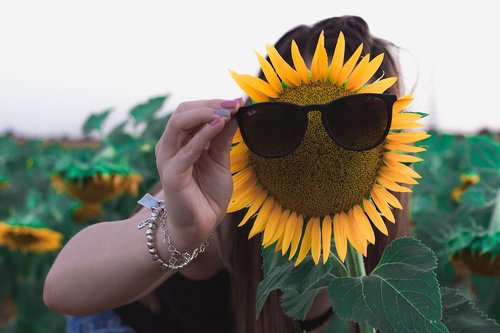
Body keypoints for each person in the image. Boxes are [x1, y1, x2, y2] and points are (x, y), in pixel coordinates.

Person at [43, 15, 414, 333]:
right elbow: (62, 287)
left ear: (392, 133)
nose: (318, 144)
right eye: (283, 121)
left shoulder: (377, 238)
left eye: (359, 118)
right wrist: (180, 231)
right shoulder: (221, 195)